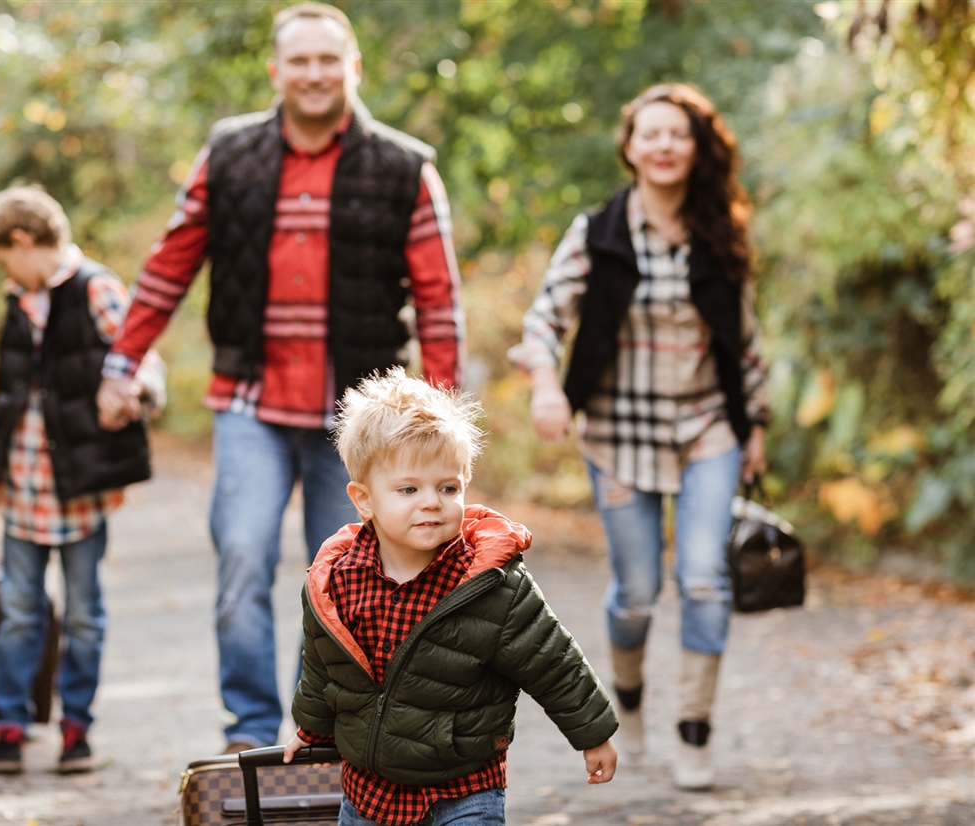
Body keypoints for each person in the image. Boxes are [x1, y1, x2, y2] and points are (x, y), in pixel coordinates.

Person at [96, 3, 464, 752]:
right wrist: (123, 359)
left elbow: (438, 299)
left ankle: (315, 734)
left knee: (347, 581)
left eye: (330, 59)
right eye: (300, 60)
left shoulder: (404, 167)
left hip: (360, 420)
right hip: (250, 402)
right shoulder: (229, 154)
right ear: (276, 71)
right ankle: (249, 729)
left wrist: (444, 416)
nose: (315, 74)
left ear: (353, 66)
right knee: (241, 558)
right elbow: (171, 262)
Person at [510, 83, 770, 790]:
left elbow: (745, 342)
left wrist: (757, 424)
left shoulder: (721, 233)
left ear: (697, 149)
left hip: (706, 429)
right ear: (629, 148)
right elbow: (543, 323)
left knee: (704, 580)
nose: (663, 146)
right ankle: (629, 702)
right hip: (618, 434)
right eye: (649, 134)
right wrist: (544, 385)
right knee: (637, 591)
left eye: (677, 135)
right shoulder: (599, 233)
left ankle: (695, 731)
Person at [283, 369, 617, 826]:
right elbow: (325, 668)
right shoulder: (337, 582)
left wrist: (593, 735)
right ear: (364, 500)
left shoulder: (490, 584)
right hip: (368, 794)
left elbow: (553, 662)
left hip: (464, 789)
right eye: (408, 489)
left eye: (448, 488)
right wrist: (311, 731)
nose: (431, 502)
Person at [0, 185, 159, 774]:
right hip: (23, 489)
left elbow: (141, 354)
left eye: (4, 257)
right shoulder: (16, 301)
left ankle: (75, 728)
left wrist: (140, 393)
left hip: (80, 488)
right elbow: (6, 397)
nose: (6, 270)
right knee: (19, 611)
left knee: (82, 613)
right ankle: (9, 724)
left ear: (22, 241)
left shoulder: (95, 288)